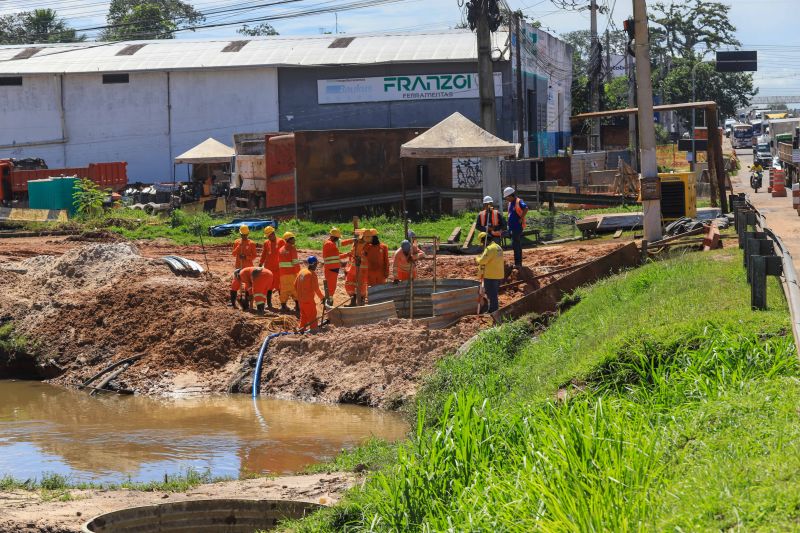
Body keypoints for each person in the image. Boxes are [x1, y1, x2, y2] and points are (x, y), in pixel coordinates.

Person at [475, 232, 504, 313]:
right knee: (493, 294)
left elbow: (482, 261)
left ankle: (493, 311)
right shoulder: (498, 247)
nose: (482, 244)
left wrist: (477, 258)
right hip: (498, 274)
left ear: (485, 241)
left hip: (491, 275)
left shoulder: (490, 249)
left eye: (482, 242)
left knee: (491, 294)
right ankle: (493, 309)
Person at [230, 224, 257, 308]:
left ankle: (246, 303)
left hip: (248, 268)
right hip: (239, 267)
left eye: (245, 235)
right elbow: (234, 254)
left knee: (247, 286)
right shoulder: (237, 242)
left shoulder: (251, 243)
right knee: (235, 285)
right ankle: (233, 303)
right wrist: (239, 246)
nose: (244, 236)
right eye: (242, 235)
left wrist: (246, 257)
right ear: (240, 234)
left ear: (248, 234)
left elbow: (254, 256)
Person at [295, 256, 325, 330]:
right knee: (312, 318)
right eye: (316, 264)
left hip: (300, 301)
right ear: (314, 264)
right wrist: (322, 298)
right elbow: (316, 289)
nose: (316, 266)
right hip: (308, 301)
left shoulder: (302, 272)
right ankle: (314, 332)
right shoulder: (312, 274)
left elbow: (295, 284)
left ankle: (301, 330)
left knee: (303, 317)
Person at [258, 226, 284, 308]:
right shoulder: (266, 243)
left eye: (269, 236)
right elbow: (264, 254)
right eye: (268, 236)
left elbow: (284, 253)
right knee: (268, 286)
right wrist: (260, 263)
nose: (268, 238)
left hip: (278, 268)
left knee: (280, 286)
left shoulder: (281, 242)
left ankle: (283, 304)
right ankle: (268, 304)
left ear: (273, 233)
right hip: (268, 268)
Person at [322, 227, 349, 304]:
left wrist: (352, 240)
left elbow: (337, 254)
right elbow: (339, 248)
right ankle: (329, 300)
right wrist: (347, 254)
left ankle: (329, 298)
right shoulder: (329, 244)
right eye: (337, 238)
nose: (338, 240)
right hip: (330, 268)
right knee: (331, 286)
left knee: (332, 285)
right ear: (333, 237)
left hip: (333, 268)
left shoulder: (331, 243)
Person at [503, 186, 528, 268]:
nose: (506, 199)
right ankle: (517, 262)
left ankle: (518, 263)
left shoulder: (518, 201)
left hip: (517, 227)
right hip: (512, 228)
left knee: (516, 245)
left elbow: (526, 208)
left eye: (507, 197)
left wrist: (521, 218)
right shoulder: (510, 203)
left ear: (511, 195)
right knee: (515, 245)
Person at [343, 229, 369, 306]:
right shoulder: (355, 244)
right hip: (352, 269)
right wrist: (347, 268)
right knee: (349, 285)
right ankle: (353, 301)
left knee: (361, 286)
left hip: (362, 270)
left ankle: (361, 302)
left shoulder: (365, 245)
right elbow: (351, 256)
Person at [277, 232, 301, 314]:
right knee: (295, 289)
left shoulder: (280, 250)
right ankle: (297, 306)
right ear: (288, 240)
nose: (294, 239)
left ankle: (283, 306)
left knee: (284, 290)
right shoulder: (292, 249)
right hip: (292, 273)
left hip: (283, 274)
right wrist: (299, 273)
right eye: (292, 238)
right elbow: (295, 262)